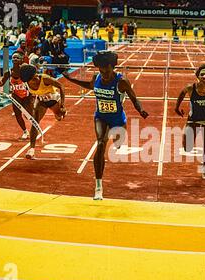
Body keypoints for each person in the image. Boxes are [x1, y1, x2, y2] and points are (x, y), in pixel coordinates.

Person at [62, 51, 148, 200]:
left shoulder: (121, 81)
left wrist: (141, 110)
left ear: (112, 67)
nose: (104, 74)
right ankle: (98, 186)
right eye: (101, 70)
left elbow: (134, 98)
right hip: (100, 117)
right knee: (101, 143)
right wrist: (71, 79)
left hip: (118, 119)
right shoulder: (97, 78)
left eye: (107, 71)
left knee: (118, 142)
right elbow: (89, 85)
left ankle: (119, 139)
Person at [19, 64, 67, 160]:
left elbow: (61, 86)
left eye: (36, 74)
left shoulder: (45, 79)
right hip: (41, 101)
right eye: (34, 76)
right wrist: (28, 111)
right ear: (28, 79)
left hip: (53, 99)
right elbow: (30, 98)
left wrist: (62, 105)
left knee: (59, 116)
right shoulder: (26, 84)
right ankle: (31, 150)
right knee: (34, 122)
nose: (37, 76)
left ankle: (59, 113)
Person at [0, 52, 35, 140]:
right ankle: (25, 131)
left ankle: (34, 129)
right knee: (18, 114)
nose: (15, 59)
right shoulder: (8, 72)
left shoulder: (25, 70)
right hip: (16, 96)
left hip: (26, 95)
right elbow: (2, 83)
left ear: (21, 60)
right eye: (13, 58)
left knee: (29, 114)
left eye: (17, 58)